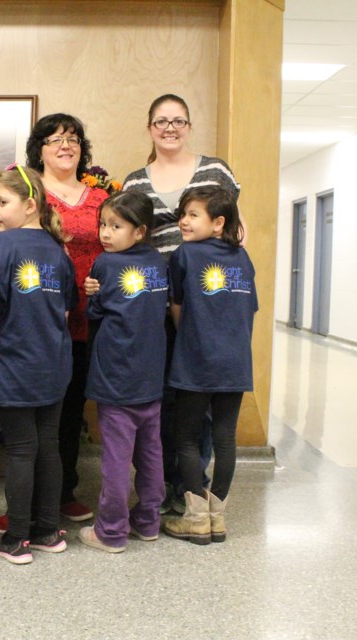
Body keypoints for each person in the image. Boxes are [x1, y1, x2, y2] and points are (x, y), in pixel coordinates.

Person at [122, 94, 244, 514]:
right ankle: (170, 483)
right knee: (166, 398)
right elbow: (129, 240)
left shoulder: (215, 170)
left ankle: (195, 489)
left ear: (189, 126)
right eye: (161, 121)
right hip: (156, 304)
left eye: (178, 121)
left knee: (203, 405)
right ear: (150, 127)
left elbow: (235, 233)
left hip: (207, 307)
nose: (169, 128)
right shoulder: (135, 181)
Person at [0, 165, 76, 565]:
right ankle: (48, 530)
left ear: (30, 205)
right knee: (48, 445)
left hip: (14, 364)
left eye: (2, 202)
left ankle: (16, 536)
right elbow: (63, 313)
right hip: (54, 364)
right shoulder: (58, 249)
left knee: (20, 449)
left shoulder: (2, 247)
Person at [162, 186, 257, 545]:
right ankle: (218, 519)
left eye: (193, 215)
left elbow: (177, 307)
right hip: (235, 362)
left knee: (186, 437)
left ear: (218, 223)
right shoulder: (243, 258)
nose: (183, 222)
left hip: (196, 360)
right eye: (182, 214)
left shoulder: (185, 255)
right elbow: (250, 309)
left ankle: (196, 519)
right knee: (224, 438)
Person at [27, 113, 107, 524]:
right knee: (41, 407)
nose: (65, 145)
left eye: (73, 138)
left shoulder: (99, 197)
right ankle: (34, 495)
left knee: (73, 406)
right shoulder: (27, 193)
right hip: (39, 320)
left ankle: (65, 490)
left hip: (90, 319)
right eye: (55, 138)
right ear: (38, 148)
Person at [77, 192, 168, 553]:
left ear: (140, 230)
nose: (105, 233)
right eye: (103, 224)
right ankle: (148, 521)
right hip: (151, 377)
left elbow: (94, 313)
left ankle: (111, 531)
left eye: (116, 226)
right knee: (150, 453)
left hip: (116, 378)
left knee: (115, 458)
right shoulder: (159, 263)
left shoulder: (105, 265)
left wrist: (90, 294)